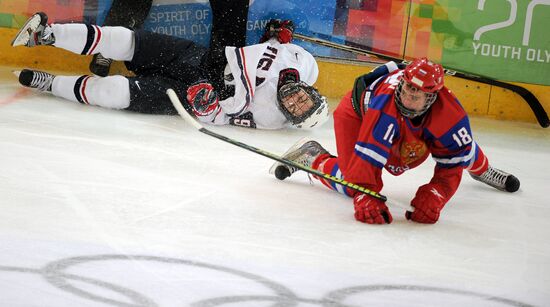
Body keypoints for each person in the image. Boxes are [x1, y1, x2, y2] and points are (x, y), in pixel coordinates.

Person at [270, 58, 520, 224]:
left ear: (432, 97)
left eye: (419, 93)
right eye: (408, 88)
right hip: (357, 115)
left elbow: (454, 157)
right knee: (350, 183)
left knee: (460, 148)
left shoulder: (449, 114)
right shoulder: (384, 106)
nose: (410, 96)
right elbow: (368, 162)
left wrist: (438, 193)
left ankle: (483, 170)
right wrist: (364, 195)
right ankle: (313, 157)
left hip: (410, 125)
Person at [11, 0, 329, 130]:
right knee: (127, 40)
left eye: (296, 107)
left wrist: (205, 107)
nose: (294, 99)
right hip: (198, 57)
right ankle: (47, 34)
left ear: (290, 116)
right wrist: (275, 36)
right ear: (311, 91)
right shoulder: (305, 64)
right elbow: (277, 53)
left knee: (115, 93)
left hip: (185, 92)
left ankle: (49, 83)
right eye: (304, 98)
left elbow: (221, 117)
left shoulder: (269, 117)